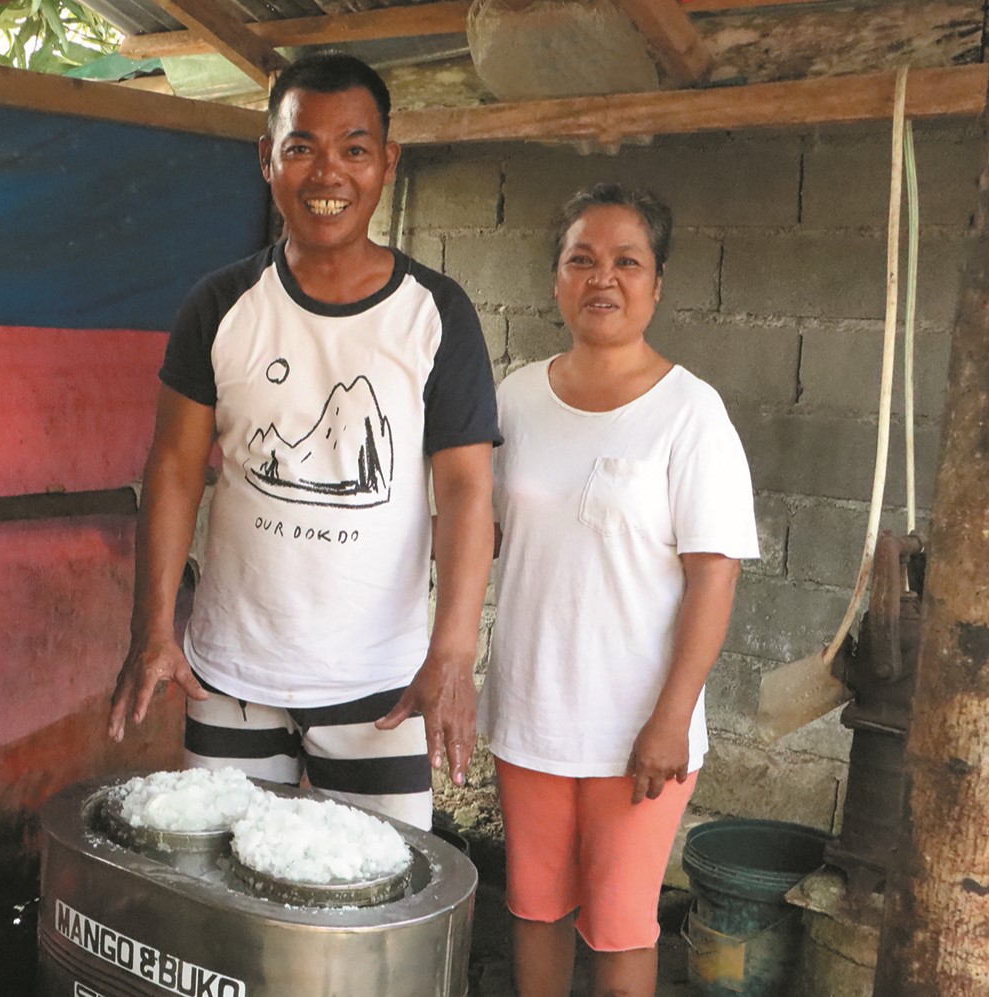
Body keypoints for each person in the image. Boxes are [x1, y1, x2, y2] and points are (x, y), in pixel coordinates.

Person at [106, 52, 500, 831]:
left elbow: (464, 490)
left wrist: (453, 652)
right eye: (301, 147)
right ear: (267, 159)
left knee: (372, 889)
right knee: (223, 884)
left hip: (381, 686)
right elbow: (175, 468)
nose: (328, 174)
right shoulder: (220, 304)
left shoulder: (435, 314)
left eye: (354, 149)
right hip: (229, 676)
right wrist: (151, 630)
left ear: (387, 162)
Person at [482, 183, 759, 996]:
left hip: (636, 727)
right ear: (556, 278)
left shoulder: (690, 414)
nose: (601, 278)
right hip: (530, 712)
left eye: (626, 262)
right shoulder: (514, 399)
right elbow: (474, 534)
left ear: (657, 284)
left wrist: (671, 717)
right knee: (532, 906)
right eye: (581, 259)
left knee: (619, 924)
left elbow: (714, 574)